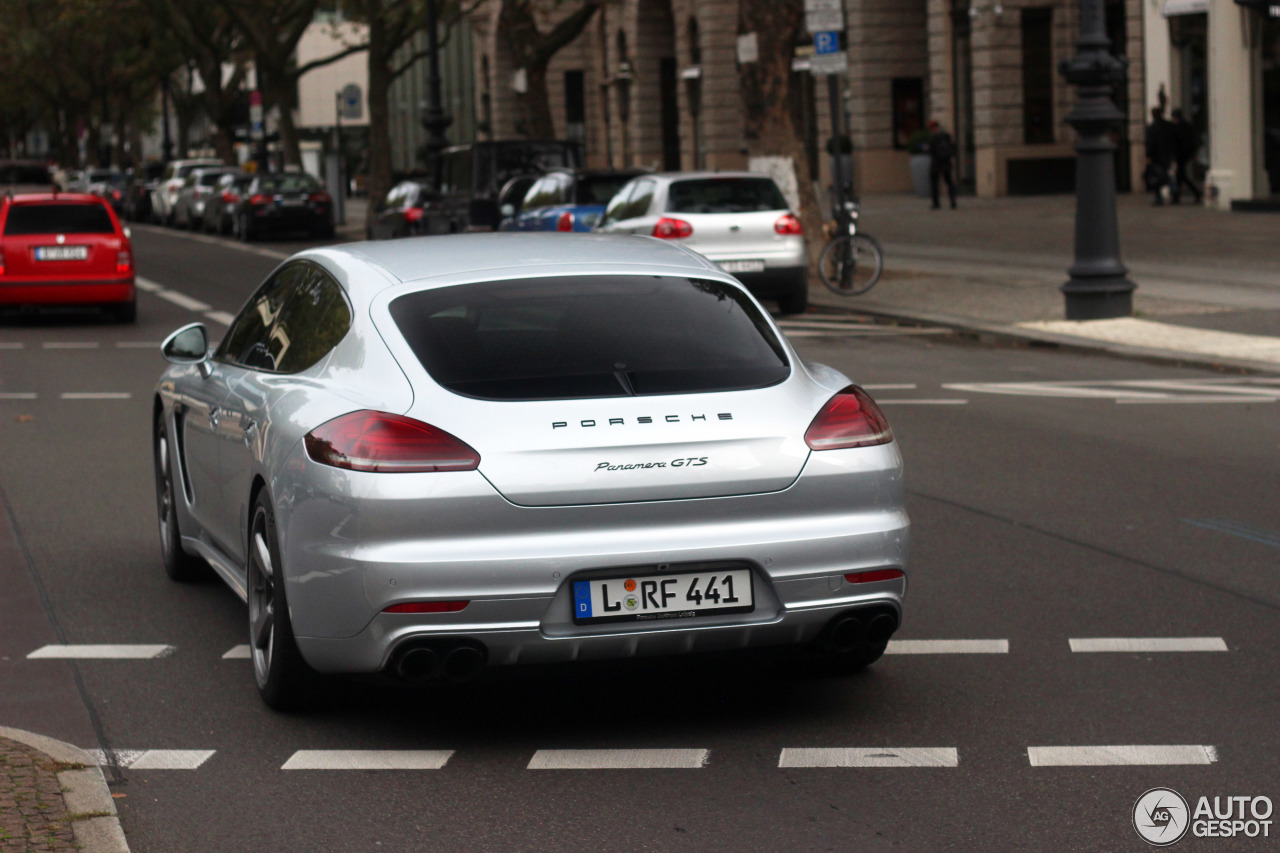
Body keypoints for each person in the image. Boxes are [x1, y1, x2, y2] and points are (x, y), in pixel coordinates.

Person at [1144, 106, 1177, 206]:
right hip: (1166, 154)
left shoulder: (1152, 127)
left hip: (1156, 156)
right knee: (1165, 174)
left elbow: (1150, 142)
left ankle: (1160, 197)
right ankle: (1173, 189)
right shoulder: (1168, 125)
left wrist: (1148, 155)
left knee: (1157, 176)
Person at [1171, 109, 1201, 205]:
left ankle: (1195, 193)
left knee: (1181, 176)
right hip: (1185, 154)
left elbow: (1179, 142)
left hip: (1182, 154)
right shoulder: (1186, 126)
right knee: (1180, 176)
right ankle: (1177, 196)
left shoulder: (1179, 127)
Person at [928, 120, 957, 210]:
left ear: (933, 128)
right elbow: (952, 148)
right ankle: (953, 202)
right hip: (946, 163)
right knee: (949, 182)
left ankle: (936, 203)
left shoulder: (934, 138)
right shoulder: (947, 136)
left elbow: (931, 151)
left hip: (936, 163)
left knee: (934, 183)